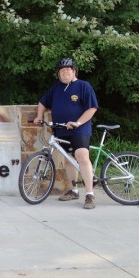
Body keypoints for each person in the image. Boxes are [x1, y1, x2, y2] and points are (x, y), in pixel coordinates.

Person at [33, 58, 98, 209]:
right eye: (62, 70)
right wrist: (39, 116)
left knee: (82, 156)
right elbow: (43, 102)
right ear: (58, 74)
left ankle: (90, 195)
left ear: (74, 71)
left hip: (80, 129)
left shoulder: (84, 86)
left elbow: (92, 108)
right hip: (61, 129)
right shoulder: (56, 88)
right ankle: (73, 190)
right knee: (69, 160)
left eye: (68, 69)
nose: (65, 72)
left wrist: (78, 122)